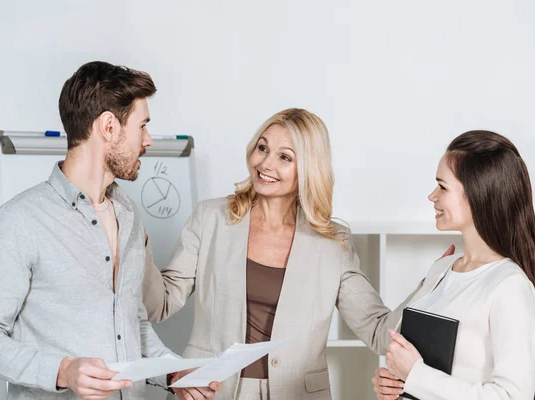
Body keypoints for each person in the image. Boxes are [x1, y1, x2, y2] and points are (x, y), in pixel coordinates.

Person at [0, 61, 220, 400]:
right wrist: (61, 371)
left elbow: (134, 323)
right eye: (142, 126)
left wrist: (174, 370)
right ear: (109, 126)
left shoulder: (128, 215)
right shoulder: (17, 223)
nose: (148, 140)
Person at [142, 108, 420, 399]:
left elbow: (378, 333)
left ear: (309, 168)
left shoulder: (333, 243)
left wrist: (434, 283)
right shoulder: (211, 218)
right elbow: (160, 305)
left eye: (284, 157)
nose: (265, 163)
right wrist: (138, 244)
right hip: (211, 391)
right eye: (262, 148)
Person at [371, 130, 535, 400]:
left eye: (442, 187)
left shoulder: (510, 286)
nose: (432, 196)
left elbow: (511, 396)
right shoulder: (441, 269)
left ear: (479, 195)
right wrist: (397, 385)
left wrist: (415, 375)